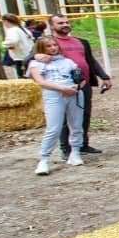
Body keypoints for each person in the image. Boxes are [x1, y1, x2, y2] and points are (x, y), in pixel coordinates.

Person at [46, 14, 111, 157]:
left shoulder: (81, 42)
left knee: (84, 114)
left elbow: (90, 61)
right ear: (52, 26)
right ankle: (66, 149)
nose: (65, 25)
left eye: (66, 22)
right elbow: (31, 60)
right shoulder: (48, 43)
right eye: (60, 23)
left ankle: (83, 144)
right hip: (61, 86)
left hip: (83, 84)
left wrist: (104, 76)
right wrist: (40, 57)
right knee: (64, 118)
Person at [27, 37, 86, 175]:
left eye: (55, 45)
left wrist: (76, 87)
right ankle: (44, 159)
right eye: (49, 46)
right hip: (54, 94)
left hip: (73, 93)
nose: (53, 48)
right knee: (54, 128)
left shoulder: (68, 61)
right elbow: (40, 81)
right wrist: (61, 89)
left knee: (76, 125)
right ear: (42, 48)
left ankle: (75, 152)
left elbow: (81, 78)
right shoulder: (35, 64)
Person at [1, 13, 34, 78]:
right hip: (29, 55)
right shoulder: (23, 29)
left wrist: (4, 44)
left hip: (20, 57)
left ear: (6, 21)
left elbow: (13, 41)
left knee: (23, 77)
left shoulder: (12, 30)